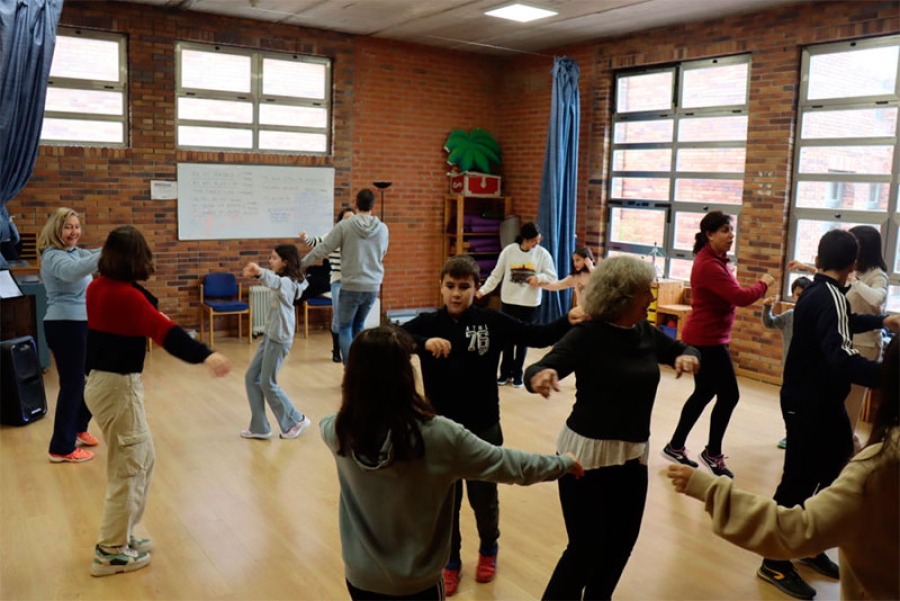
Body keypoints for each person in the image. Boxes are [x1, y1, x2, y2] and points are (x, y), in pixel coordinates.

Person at [319, 325, 584, 601]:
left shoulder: (337, 431)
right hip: (417, 585)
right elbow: (506, 463)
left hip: (361, 579)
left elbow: (332, 420)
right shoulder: (438, 436)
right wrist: (562, 464)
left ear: (352, 375)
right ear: (406, 374)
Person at [402, 255, 586, 595]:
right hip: (439, 431)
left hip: (483, 427)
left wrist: (567, 320)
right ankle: (451, 560)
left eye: (464, 287)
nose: (456, 294)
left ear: (477, 289)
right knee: (446, 503)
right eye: (450, 286)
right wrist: (420, 343)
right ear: (441, 287)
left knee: (484, 499)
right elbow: (391, 338)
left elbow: (538, 334)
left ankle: (489, 548)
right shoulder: (427, 324)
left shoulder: (491, 321)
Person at [667, 335, 899, 601]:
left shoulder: (877, 469)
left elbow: (797, 528)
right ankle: (780, 562)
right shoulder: (877, 469)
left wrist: (710, 490)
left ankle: (806, 551)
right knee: (800, 477)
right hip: (804, 403)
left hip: (813, 406)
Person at [525, 256, 701, 601]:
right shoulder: (587, 335)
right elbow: (542, 365)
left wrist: (688, 356)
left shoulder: (644, 332)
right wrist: (539, 377)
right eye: (644, 293)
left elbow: (683, 347)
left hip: (632, 455)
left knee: (620, 546)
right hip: (585, 458)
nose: (650, 299)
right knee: (584, 550)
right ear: (622, 297)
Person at [756, 229, 900, 599]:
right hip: (808, 402)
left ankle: (808, 542)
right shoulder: (829, 296)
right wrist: (888, 376)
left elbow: (841, 324)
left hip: (819, 400)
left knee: (836, 468)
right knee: (798, 481)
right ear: (853, 265)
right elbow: (840, 356)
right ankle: (774, 561)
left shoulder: (821, 292)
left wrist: (881, 321)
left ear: (819, 259)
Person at [84, 226, 231, 576]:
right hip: (117, 387)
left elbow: (149, 313)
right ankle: (110, 551)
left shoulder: (98, 286)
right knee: (130, 467)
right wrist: (206, 355)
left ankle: (123, 534)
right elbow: (166, 333)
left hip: (108, 384)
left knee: (142, 458)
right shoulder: (125, 296)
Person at [662, 211, 774, 478]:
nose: (731, 235)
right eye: (724, 230)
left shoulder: (717, 261)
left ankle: (675, 446)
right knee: (729, 395)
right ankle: (711, 453)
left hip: (708, 338)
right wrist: (764, 283)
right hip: (706, 341)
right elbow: (740, 297)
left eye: (731, 230)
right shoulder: (709, 265)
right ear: (709, 234)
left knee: (703, 394)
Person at [38, 208, 102, 463]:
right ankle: (61, 448)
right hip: (64, 325)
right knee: (73, 383)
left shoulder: (75, 252)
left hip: (83, 324)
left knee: (99, 375)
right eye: (68, 227)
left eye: (76, 226)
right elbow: (73, 271)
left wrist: (116, 246)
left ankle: (78, 426)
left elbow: (91, 256)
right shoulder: (53, 256)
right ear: (56, 230)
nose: (73, 232)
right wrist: (109, 251)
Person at [301, 190, 388, 365]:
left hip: (351, 285)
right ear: (373, 205)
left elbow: (322, 249)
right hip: (372, 286)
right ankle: (361, 368)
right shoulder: (383, 228)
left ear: (356, 203)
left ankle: (351, 370)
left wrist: (301, 265)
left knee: (345, 327)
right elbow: (382, 253)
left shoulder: (344, 226)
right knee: (359, 326)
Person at [241, 244, 311, 440]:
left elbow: (275, 283)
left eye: (274, 258)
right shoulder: (284, 280)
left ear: (285, 262)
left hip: (279, 338)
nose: (270, 261)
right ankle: (260, 427)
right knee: (251, 377)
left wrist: (259, 271)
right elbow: (272, 282)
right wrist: (259, 275)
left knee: (267, 382)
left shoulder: (288, 283)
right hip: (270, 336)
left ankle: (296, 419)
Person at [475, 222, 557, 388]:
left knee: (523, 341)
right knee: (506, 340)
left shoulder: (542, 254)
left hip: (530, 304)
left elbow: (552, 277)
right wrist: (483, 291)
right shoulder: (509, 251)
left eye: (538, 240)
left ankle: (518, 374)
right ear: (525, 239)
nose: (537, 244)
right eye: (534, 240)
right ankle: (504, 373)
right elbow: (496, 275)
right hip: (510, 302)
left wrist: (539, 279)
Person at [761, 275, 812, 449]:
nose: (801, 298)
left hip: (810, 370)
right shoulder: (790, 315)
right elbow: (769, 323)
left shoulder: (816, 316)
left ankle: (807, 436)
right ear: (793, 296)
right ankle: (791, 435)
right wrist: (767, 307)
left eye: (805, 294)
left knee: (807, 404)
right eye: (798, 294)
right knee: (790, 404)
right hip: (791, 369)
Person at [300, 205, 355, 362]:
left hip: (353, 283)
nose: (349, 222)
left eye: (352, 219)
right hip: (338, 282)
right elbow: (316, 242)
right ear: (339, 222)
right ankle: (337, 350)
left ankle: (350, 352)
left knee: (352, 319)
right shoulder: (333, 235)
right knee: (338, 317)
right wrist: (306, 237)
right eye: (346, 219)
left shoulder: (358, 238)